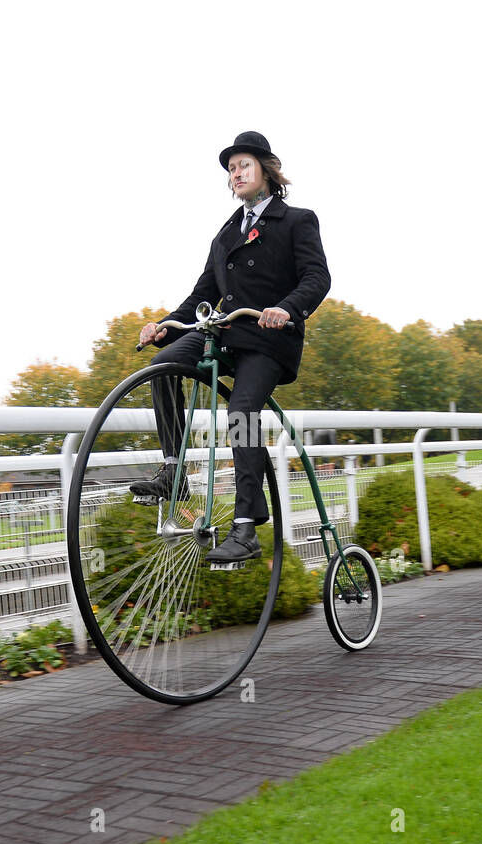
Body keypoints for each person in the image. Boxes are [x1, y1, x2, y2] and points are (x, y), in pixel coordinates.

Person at [132, 131, 331, 565]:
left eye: (243, 165)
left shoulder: (297, 220)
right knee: (164, 366)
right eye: (231, 169)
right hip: (224, 331)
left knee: (241, 411)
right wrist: (164, 325)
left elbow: (317, 279)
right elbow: (202, 292)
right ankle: (173, 471)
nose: (235, 174)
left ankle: (245, 527)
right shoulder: (225, 233)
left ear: (266, 170)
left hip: (267, 337)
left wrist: (286, 308)